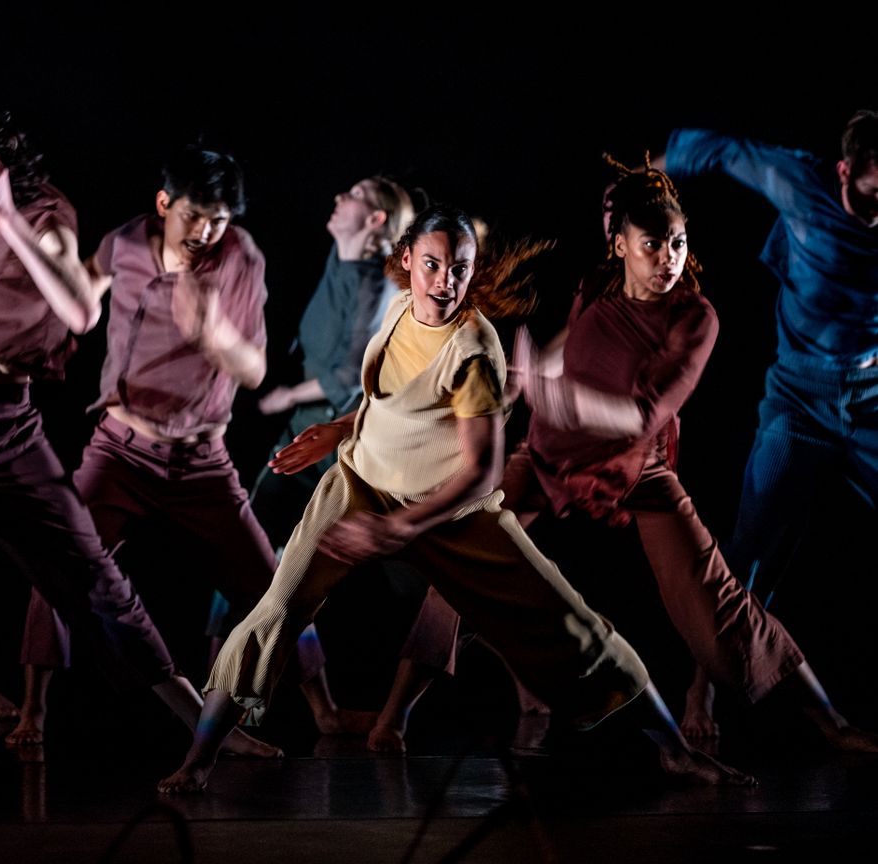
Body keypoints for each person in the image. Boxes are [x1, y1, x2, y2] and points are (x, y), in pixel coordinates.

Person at [158, 202, 757, 794]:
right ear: (407, 260)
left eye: (459, 269)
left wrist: (402, 528)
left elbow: (480, 471)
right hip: (362, 486)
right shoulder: (399, 309)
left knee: (568, 622)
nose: (446, 281)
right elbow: (388, 403)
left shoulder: (474, 351)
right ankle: (200, 759)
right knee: (274, 612)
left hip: (451, 510)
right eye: (433, 265)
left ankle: (675, 752)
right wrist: (338, 431)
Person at [365, 160, 878, 760]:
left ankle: (829, 722)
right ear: (620, 244)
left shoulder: (695, 317)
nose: (668, 259)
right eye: (652, 244)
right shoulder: (595, 288)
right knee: (464, 560)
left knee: (715, 598)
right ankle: (393, 718)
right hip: (550, 453)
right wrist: (522, 378)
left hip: (634, 465)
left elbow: (644, 414)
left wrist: (565, 397)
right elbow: (563, 353)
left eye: (677, 244)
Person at [0, 108, 275, 758]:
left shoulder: (237, 258)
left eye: (220, 219)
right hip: (121, 447)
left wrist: (212, 334)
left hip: (196, 459)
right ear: (165, 205)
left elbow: (252, 369)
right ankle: (29, 708)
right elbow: (86, 293)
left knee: (268, 588)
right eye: (195, 215)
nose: (207, 231)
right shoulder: (128, 243)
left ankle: (284, 714)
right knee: (61, 583)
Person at [657, 112, 878, 740]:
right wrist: (640, 182)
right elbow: (722, 149)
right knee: (752, 550)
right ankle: (700, 695)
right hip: (801, 398)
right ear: (845, 172)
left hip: (871, 399)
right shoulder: (799, 182)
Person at [205, 176, 414, 694]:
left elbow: (348, 376)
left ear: (375, 219)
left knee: (405, 572)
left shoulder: (376, 285)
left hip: (342, 441)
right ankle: (228, 687)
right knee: (257, 559)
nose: (338, 197)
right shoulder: (340, 260)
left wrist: (285, 395)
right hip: (307, 432)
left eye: (353, 195)